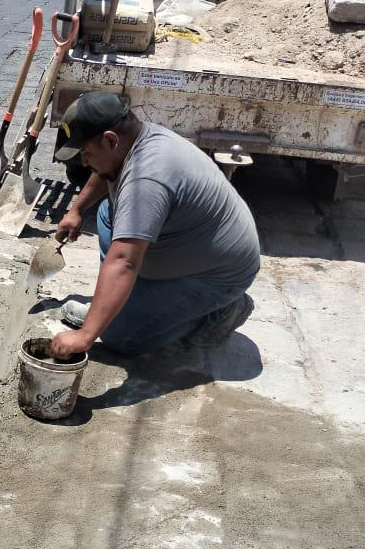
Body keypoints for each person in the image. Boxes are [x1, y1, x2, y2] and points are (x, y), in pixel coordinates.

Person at [50, 92, 260, 359]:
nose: (83, 162)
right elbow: (106, 169)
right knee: (107, 214)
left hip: (218, 276)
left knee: (119, 336)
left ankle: (221, 311)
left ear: (110, 139)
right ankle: (121, 305)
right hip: (191, 244)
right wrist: (77, 210)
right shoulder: (135, 139)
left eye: (86, 153)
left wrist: (85, 335)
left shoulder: (146, 179)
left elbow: (125, 261)